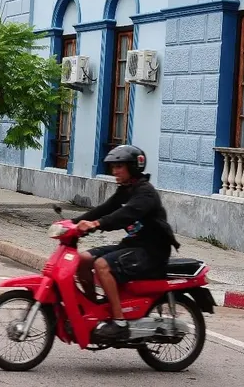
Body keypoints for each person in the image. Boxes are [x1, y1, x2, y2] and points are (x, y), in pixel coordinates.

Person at [72, 144, 180, 343]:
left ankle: (119, 322)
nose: (115, 171)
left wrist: (96, 224)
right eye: (113, 167)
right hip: (133, 245)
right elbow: (104, 209)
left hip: (151, 251)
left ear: (133, 167)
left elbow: (125, 214)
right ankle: (93, 310)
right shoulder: (125, 190)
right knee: (82, 260)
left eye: (119, 166)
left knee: (102, 265)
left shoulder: (145, 193)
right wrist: (72, 224)